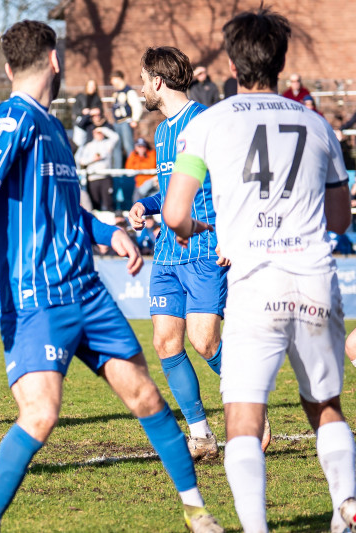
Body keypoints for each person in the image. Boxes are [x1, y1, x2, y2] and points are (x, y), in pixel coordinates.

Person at [0, 20, 222, 533]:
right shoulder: (13, 118)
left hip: (88, 294)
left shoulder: (55, 128)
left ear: (9, 68)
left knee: (146, 396)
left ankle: (197, 512)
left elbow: (64, 210)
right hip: (38, 298)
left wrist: (106, 231)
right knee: (40, 414)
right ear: (55, 62)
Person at [161, 9, 356, 533]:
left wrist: (199, 227)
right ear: (281, 62)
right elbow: (340, 220)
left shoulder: (208, 124)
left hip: (254, 284)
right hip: (313, 278)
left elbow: (175, 214)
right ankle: (346, 506)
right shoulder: (316, 124)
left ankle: (256, 528)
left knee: (243, 420)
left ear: (231, 63)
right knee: (325, 406)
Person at [128, 47, 236, 461]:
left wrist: (230, 234)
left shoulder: (208, 123)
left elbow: (234, 182)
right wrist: (146, 206)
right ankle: (201, 436)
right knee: (165, 342)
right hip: (167, 253)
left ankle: (250, 402)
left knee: (204, 341)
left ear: (158, 81)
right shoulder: (161, 133)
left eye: (143, 79)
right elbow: (173, 191)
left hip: (206, 248)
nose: (141, 88)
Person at [74, 125, 119, 211]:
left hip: (105, 178)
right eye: (96, 133)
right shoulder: (89, 146)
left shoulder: (107, 144)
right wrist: (93, 159)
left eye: (100, 133)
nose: (99, 134)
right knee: (95, 205)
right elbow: (81, 161)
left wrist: (102, 129)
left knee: (108, 204)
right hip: (93, 178)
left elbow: (116, 137)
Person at [109, 70, 143, 169]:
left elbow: (137, 106)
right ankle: (117, 171)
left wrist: (135, 120)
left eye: (113, 79)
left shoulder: (129, 91)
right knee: (117, 147)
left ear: (119, 78)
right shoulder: (116, 93)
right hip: (117, 123)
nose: (112, 82)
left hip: (126, 122)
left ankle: (132, 169)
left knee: (128, 146)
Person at [71, 79, 103, 147]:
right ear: (86, 86)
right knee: (78, 145)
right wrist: (82, 111)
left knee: (89, 146)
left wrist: (91, 112)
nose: (92, 87)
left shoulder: (97, 98)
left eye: (93, 86)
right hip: (81, 124)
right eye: (90, 85)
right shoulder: (80, 96)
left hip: (91, 125)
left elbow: (100, 111)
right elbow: (75, 110)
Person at [126, 137, 158, 202]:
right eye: (139, 146)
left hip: (151, 183)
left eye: (143, 146)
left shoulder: (152, 153)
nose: (141, 148)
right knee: (136, 200)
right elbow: (128, 168)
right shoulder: (134, 155)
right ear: (136, 147)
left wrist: (140, 162)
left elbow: (152, 166)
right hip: (140, 185)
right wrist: (136, 155)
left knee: (152, 200)